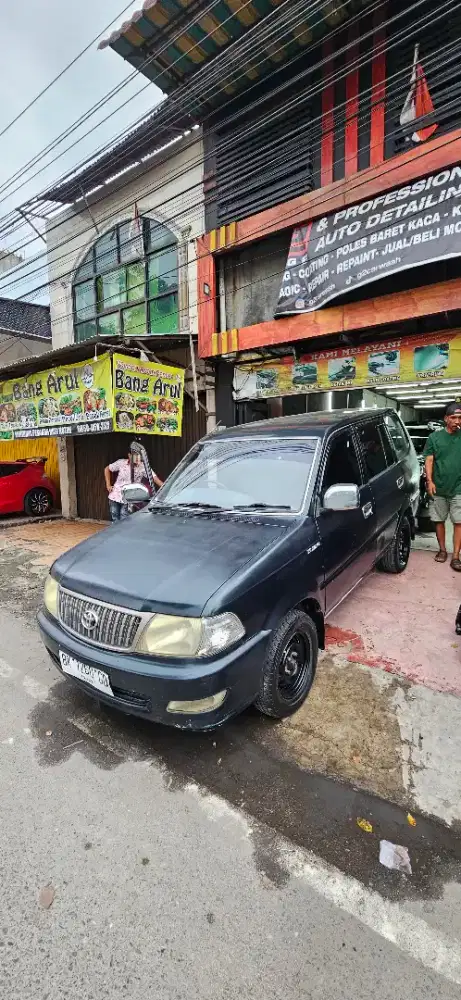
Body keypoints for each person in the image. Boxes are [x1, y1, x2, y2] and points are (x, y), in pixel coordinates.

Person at [423, 401, 461, 570]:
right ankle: (443, 550)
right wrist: (429, 481)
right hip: (438, 487)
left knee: (459, 522)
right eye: (454, 417)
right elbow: (429, 460)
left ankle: (456, 556)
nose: (457, 421)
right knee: (439, 520)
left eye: (460, 418)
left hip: (459, 488)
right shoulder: (435, 438)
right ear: (446, 419)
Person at [104, 453, 163, 522]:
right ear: (129, 455)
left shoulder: (143, 466)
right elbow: (107, 469)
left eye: (139, 455)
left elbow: (154, 478)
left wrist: (166, 487)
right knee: (115, 518)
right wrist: (108, 484)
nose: (137, 458)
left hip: (129, 497)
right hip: (115, 495)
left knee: (124, 518)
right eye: (135, 455)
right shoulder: (121, 462)